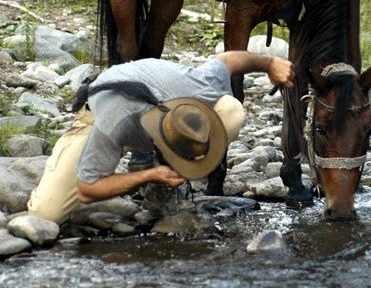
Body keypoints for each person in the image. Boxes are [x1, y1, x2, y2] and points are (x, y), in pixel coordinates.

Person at [28, 51, 294, 225]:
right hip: (101, 106)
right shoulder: (114, 123)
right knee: (47, 213)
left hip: (159, 93)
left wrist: (270, 63)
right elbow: (88, 189)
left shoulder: (200, 87)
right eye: (181, 159)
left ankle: (160, 181)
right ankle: (147, 167)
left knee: (232, 111)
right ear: (158, 145)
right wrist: (149, 176)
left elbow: (229, 61)